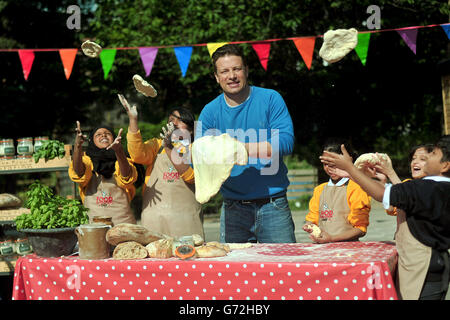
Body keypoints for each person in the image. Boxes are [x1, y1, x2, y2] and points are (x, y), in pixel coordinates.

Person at [319, 136, 450, 300]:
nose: (425, 158)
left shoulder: (425, 188)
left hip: (423, 269)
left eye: (431, 155)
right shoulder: (439, 188)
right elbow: (403, 195)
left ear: (445, 165)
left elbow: (383, 194)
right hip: (437, 265)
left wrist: (350, 169)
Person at [196, 43, 296, 243]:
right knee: (234, 273)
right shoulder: (209, 111)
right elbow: (199, 156)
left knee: (283, 270)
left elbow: (285, 142)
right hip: (233, 208)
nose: (231, 76)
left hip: (273, 205)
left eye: (236, 69)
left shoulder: (270, 99)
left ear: (246, 71)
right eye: (224, 71)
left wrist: (237, 148)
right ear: (217, 77)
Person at [118, 94, 204, 239]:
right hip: (154, 217)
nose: (174, 122)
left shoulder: (196, 148)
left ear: (190, 130)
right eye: (171, 120)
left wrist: (170, 148)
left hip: (186, 220)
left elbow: (192, 178)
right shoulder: (157, 145)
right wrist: (133, 119)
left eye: (180, 120)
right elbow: (137, 154)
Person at [68, 121, 138, 225]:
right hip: (95, 227)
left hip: (123, 224)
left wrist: (118, 151)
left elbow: (126, 176)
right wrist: (78, 146)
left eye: (108, 133)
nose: (104, 135)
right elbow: (79, 172)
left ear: (114, 139)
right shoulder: (87, 160)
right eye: (98, 134)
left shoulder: (123, 159)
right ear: (91, 141)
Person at [303, 138, 371, 243]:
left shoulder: (357, 188)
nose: (330, 169)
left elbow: (360, 229)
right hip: (323, 249)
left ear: (348, 162)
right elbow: (313, 217)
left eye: (334, 164)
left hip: (349, 250)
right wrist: (309, 225)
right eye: (326, 164)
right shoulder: (319, 190)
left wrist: (332, 239)